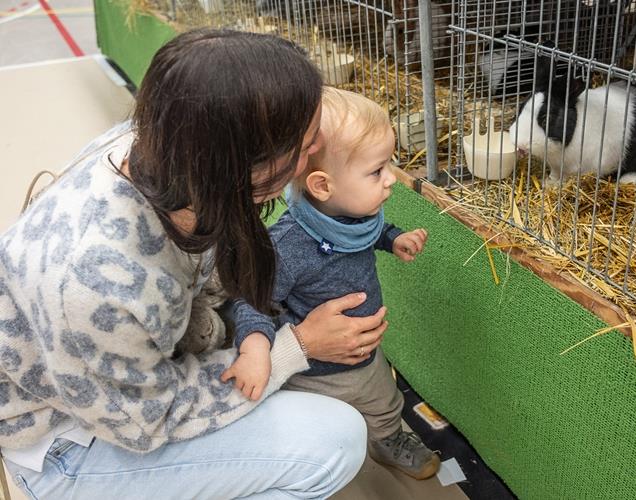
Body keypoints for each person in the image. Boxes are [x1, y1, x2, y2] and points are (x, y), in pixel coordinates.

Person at [0, 29, 391, 499]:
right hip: (68, 440)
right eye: (306, 145)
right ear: (242, 163)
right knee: (336, 440)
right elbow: (148, 421)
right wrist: (297, 346)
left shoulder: (165, 149)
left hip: (113, 378)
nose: (316, 153)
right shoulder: (97, 288)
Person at [222, 87, 439, 480]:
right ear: (323, 185)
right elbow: (252, 299)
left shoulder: (352, 213)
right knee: (323, 427)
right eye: (376, 171)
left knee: (384, 401)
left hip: (365, 353)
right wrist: (254, 347)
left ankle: (388, 439)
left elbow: (366, 232)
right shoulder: (288, 245)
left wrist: (392, 239)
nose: (391, 179)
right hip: (314, 374)